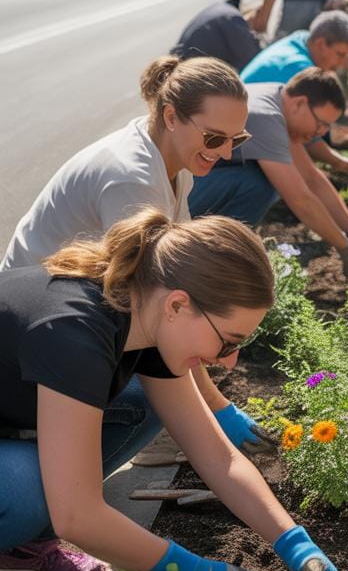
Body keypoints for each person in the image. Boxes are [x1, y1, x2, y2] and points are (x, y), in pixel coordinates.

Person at [0, 210, 348, 571]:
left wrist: (296, 545)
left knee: (140, 405)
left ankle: (14, 544)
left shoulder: (141, 315)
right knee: (34, 487)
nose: (229, 362)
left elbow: (217, 458)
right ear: (177, 305)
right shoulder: (73, 332)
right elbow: (77, 516)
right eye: (229, 341)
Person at [2, 55, 276, 451]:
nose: (228, 153)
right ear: (171, 116)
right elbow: (161, 302)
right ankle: (45, 456)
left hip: (72, 314)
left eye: (237, 139)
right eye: (215, 138)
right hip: (38, 342)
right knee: (150, 400)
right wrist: (217, 409)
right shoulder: (132, 179)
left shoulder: (173, 159)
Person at [188, 67, 348, 278]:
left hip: (194, 182)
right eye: (321, 124)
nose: (321, 133)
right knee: (263, 184)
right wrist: (346, 249)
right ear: (300, 103)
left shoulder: (277, 99)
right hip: (176, 191)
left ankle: (218, 250)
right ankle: (217, 256)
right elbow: (300, 199)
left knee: (263, 179)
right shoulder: (266, 117)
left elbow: (311, 178)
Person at [240, 11, 348, 179]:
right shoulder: (299, 68)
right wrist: (339, 162)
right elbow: (302, 133)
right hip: (244, 143)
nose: (342, 63)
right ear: (321, 44)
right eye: (340, 54)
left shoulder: (303, 39)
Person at [174, 0, 261, 71]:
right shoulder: (233, 19)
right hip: (188, 68)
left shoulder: (222, 10)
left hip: (181, 63)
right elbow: (253, 63)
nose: (251, 32)